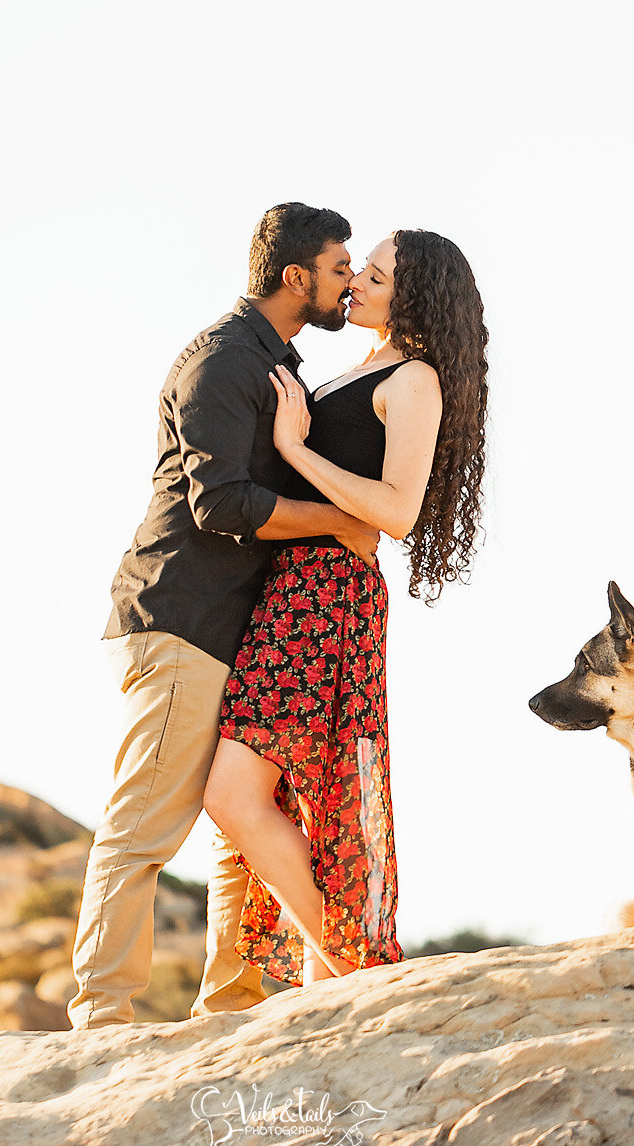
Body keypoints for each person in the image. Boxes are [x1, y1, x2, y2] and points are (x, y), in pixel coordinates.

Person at [70, 203, 382, 1030]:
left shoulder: (272, 361)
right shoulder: (222, 361)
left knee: (242, 819)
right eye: (339, 267)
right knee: (145, 822)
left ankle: (227, 1006)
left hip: (227, 629)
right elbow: (220, 505)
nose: (348, 282)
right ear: (295, 277)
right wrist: (340, 522)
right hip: (180, 618)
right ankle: (100, 1017)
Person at [203, 229, 489, 987]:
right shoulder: (360, 368)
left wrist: (295, 451)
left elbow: (396, 511)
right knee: (291, 795)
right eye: (359, 267)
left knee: (234, 793)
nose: (356, 280)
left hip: (328, 592)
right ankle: (328, 978)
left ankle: (353, 966)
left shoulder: (415, 380)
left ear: (415, 293)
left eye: (376, 273)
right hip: (291, 587)